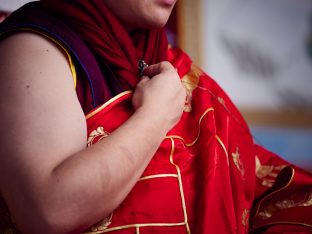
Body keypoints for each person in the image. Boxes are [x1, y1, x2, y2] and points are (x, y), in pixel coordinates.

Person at [0, 0, 311, 233]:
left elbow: (251, 183)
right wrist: (157, 114)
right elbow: (49, 209)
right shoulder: (34, 46)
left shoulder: (167, 63)